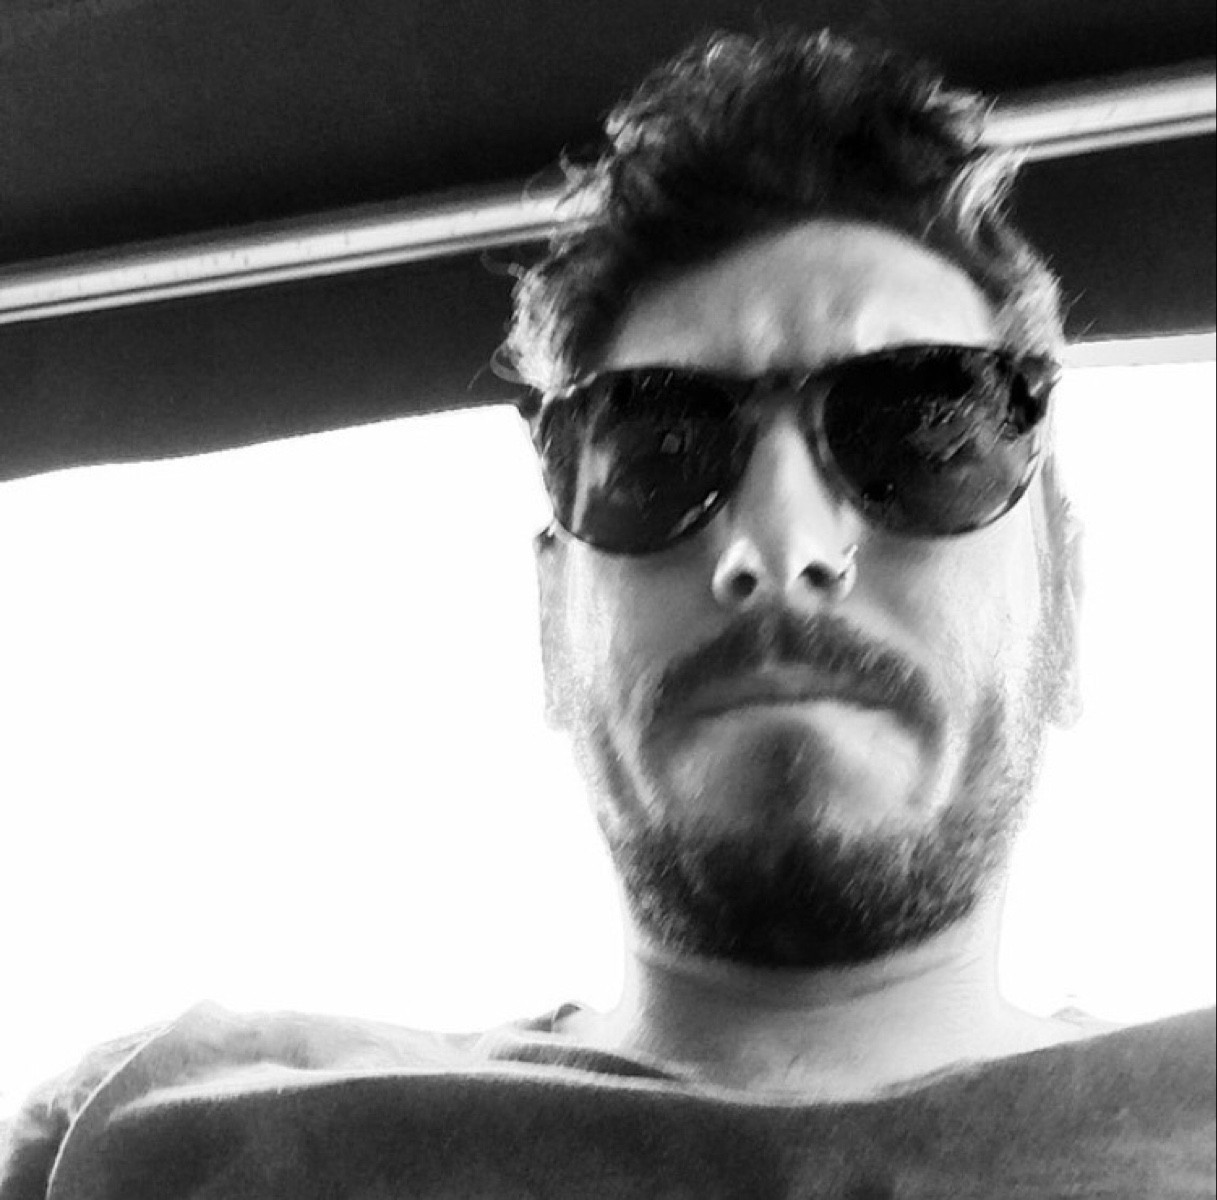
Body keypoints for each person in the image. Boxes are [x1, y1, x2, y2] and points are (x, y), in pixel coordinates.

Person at [2, 29, 1212, 1200]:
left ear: (1067, 606)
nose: (779, 546)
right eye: (654, 451)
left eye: (923, 434)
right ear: (550, 628)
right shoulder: (150, 1136)